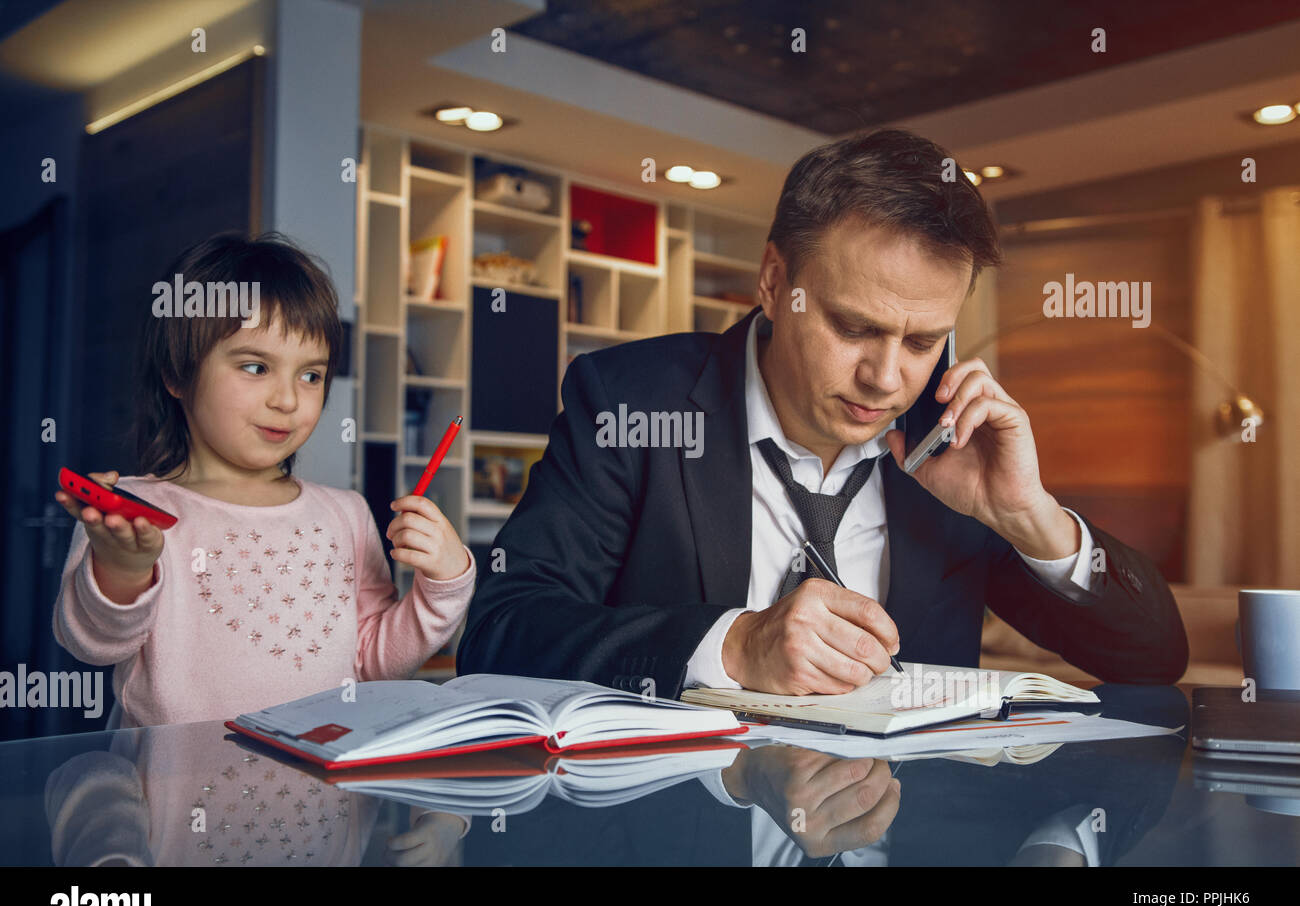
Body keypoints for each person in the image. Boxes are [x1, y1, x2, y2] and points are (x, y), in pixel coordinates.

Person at [458, 128, 1187, 698]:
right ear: (775, 283)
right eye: (853, 327)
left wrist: (1030, 516)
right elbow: (503, 628)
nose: (886, 377)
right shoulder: (630, 400)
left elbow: (1154, 658)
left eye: (924, 340)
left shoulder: (951, 444)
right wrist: (736, 647)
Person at [53, 233, 475, 728]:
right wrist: (123, 568)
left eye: (311, 376)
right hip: (169, 799)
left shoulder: (347, 514)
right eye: (256, 367)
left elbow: (373, 664)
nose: (289, 400)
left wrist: (443, 585)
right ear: (177, 373)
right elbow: (92, 646)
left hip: (322, 796)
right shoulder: (129, 514)